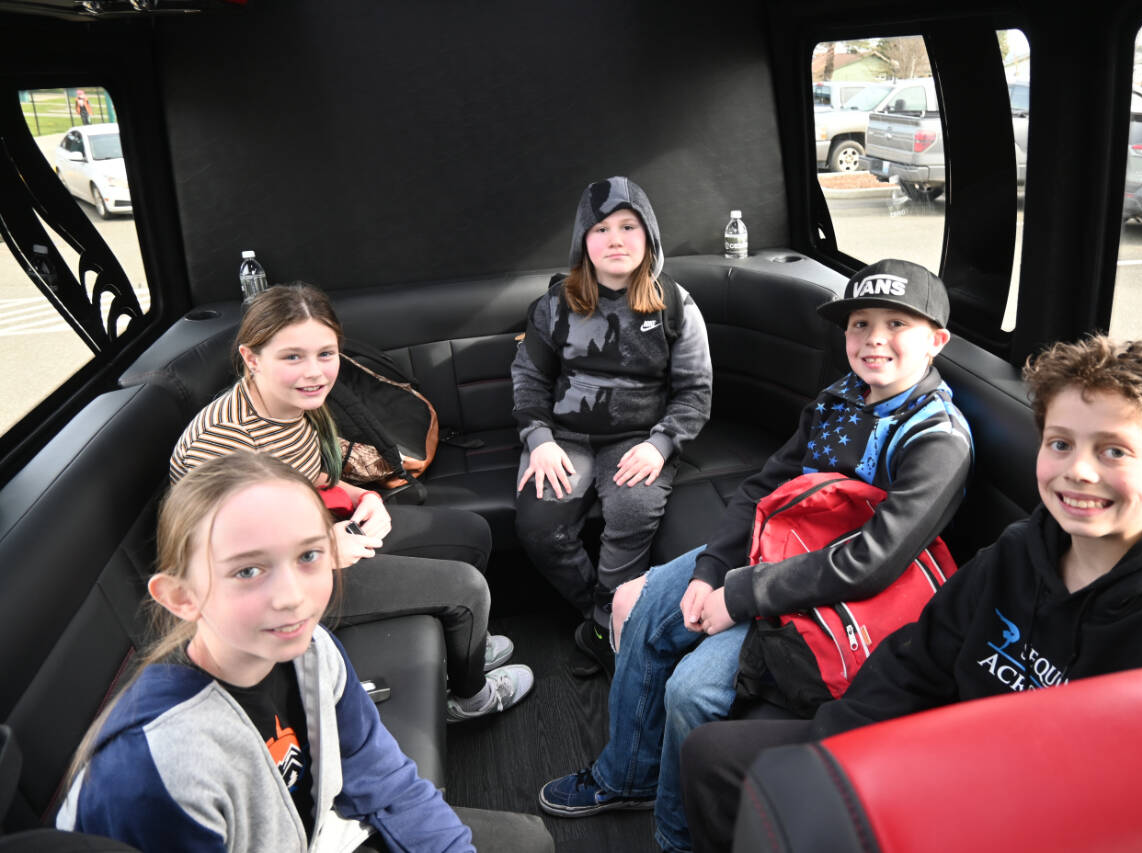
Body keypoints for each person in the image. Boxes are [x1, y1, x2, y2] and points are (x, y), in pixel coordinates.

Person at [679, 335, 1142, 853]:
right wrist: (832, 757)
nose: (1079, 471)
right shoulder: (1020, 552)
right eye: (1061, 443)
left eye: (1114, 451)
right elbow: (916, 662)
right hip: (944, 758)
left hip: (1040, 825)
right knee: (718, 762)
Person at [538, 258, 973, 853]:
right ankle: (626, 777)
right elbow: (762, 489)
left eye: (897, 324)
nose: (874, 339)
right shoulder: (839, 399)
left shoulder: (937, 440)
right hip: (773, 551)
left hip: (834, 601)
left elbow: (870, 561)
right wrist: (711, 570)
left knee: (691, 691)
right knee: (643, 609)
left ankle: (677, 836)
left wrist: (736, 596)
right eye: (860, 323)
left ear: (936, 342)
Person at [57, 452, 554, 852]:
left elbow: (376, 769)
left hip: (323, 830)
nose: (292, 595)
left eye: (308, 556)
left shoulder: (312, 646)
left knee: (530, 841)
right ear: (182, 597)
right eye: (248, 571)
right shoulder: (155, 771)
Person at [170, 283, 532, 722]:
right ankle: (471, 698)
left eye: (326, 354)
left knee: (471, 533)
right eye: (292, 357)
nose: (315, 372)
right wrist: (319, 552)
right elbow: (219, 562)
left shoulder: (298, 404)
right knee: (467, 590)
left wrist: (365, 497)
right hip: (278, 590)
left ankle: (465, 646)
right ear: (251, 359)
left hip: (314, 537)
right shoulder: (221, 443)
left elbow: (320, 473)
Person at [511, 176, 712, 675]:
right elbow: (529, 380)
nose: (616, 239)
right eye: (601, 229)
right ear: (584, 241)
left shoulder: (676, 305)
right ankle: (598, 615)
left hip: (640, 440)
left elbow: (695, 392)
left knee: (632, 511)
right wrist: (538, 441)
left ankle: (605, 627)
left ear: (649, 237)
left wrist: (662, 446)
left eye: (629, 226)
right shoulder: (555, 305)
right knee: (540, 526)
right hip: (565, 438)